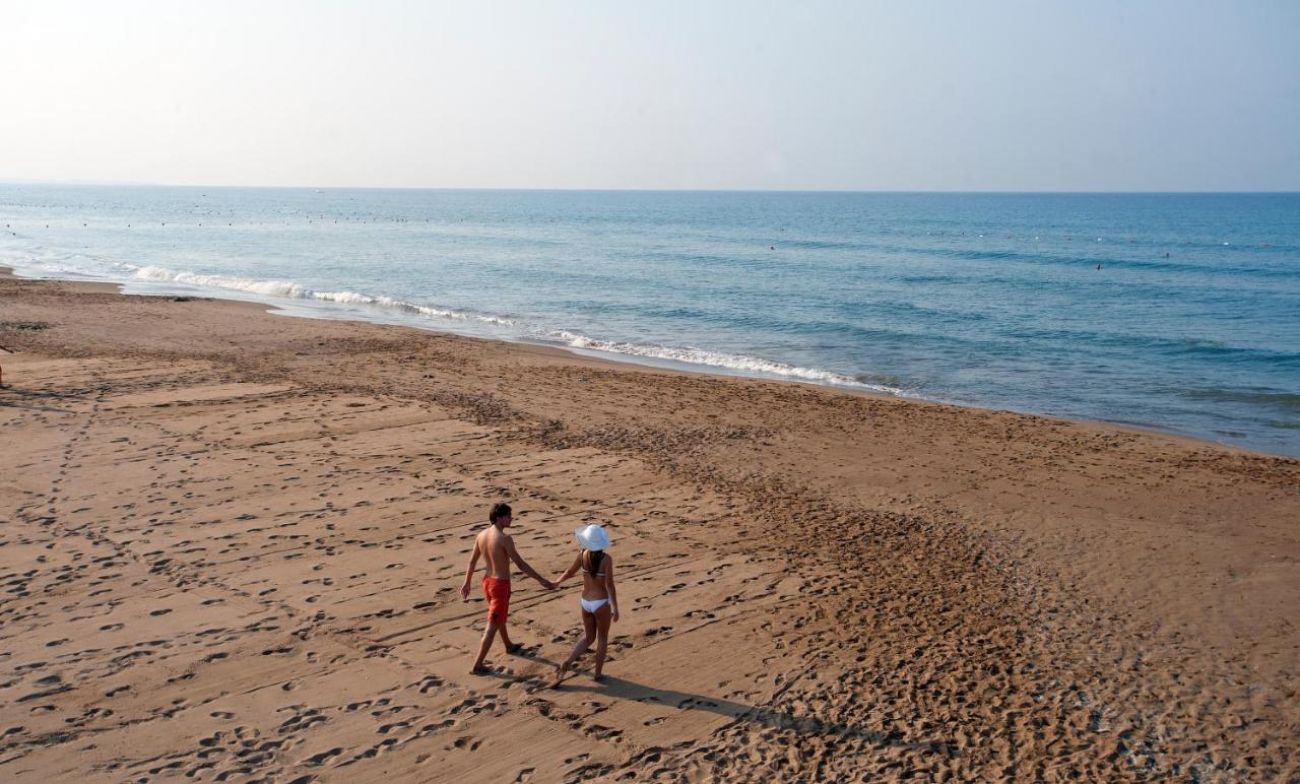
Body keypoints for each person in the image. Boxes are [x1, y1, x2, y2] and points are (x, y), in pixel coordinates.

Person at [460, 502, 553, 675]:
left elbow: (472, 562)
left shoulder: (481, 535)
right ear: (499, 518)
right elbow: (520, 564)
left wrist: (467, 582)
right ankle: (477, 665)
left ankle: (508, 645)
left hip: (487, 582)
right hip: (500, 586)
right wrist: (541, 580)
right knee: (492, 625)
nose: (511, 518)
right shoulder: (504, 539)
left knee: (499, 617)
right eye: (508, 516)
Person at [552, 524, 619, 685]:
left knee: (588, 637)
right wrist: (615, 607)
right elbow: (609, 585)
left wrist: (557, 582)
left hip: (585, 602)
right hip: (600, 602)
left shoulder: (582, 554)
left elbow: (569, 572)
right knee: (602, 639)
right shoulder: (606, 559)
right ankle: (598, 674)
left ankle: (569, 661)